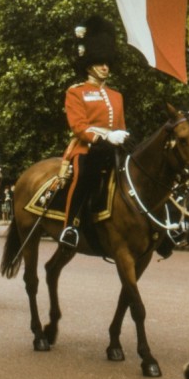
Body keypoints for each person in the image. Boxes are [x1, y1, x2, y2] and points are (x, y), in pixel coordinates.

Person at [59, 15, 129, 249]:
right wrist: (105, 136)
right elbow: (78, 126)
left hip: (114, 148)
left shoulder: (116, 95)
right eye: (100, 62)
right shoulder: (76, 92)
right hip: (88, 148)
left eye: (107, 62)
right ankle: (70, 226)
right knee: (84, 176)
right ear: (89, 64)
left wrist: (122, 136)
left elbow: (120, 125)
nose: (105, 67)